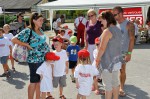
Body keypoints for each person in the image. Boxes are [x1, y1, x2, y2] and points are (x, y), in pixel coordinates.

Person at [12, 12, 50, 99]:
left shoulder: (40, 30)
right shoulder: (28, 31)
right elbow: (14, 39)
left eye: (42, 20)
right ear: (34, 21)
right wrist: (26, 45)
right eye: (40, 20)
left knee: (39, 81)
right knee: (33, 81)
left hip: (42, 59)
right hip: (34, 60)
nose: (42, 22)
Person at [95, 11, 123, 99]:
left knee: (107, 85)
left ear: (107, 19)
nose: (101, 22)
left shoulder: (107, 31)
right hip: (116, 61)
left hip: (107, 62)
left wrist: (97, 60)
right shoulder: (118, 29)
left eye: (102, 20)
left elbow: (102, 48)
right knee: (115, 83)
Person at [112, 6, 135, 97]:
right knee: (111, 70)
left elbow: (132, 39)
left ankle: (121, 87)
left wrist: (129, 53)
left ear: (121, 13)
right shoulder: (114, 24)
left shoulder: (129, 24)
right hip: (113, 51)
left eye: (115, 14)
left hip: (123, 52)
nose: (114, 16)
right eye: (113, 15)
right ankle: (113, 87)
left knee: (122, 70)